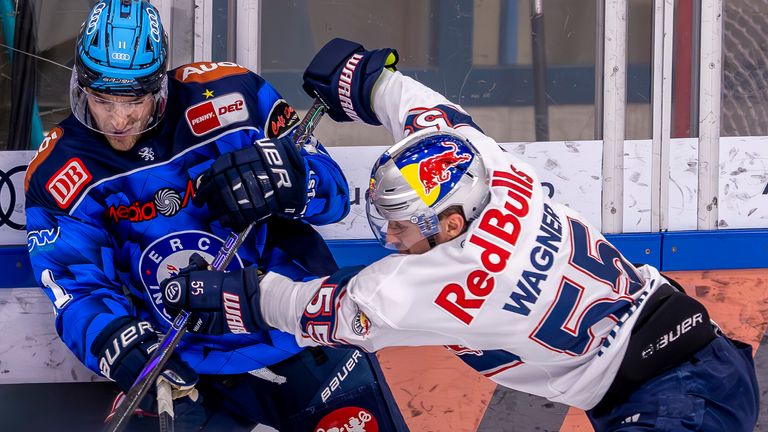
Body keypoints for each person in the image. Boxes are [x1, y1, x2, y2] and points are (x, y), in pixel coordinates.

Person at [162, 38, 761, 431]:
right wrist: (364, 82)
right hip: (703, 357)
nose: (391, 239)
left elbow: (319, 310)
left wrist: (234, 294)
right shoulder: (488, 165)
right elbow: (416, 106)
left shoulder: (431, 283)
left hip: (672, 403)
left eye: (401, 226)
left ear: (450, 224)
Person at [24, 3, 409, 431]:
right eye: (102, 100)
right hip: (178, 364)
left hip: (299, 328)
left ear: (160, 82)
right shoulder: (60, 168)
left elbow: (334, 193)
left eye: (134, 100)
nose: (118, 119)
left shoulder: (233, 96)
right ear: (81, 84)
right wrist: (114, 341)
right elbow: (75, 287)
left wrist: (292, 182)